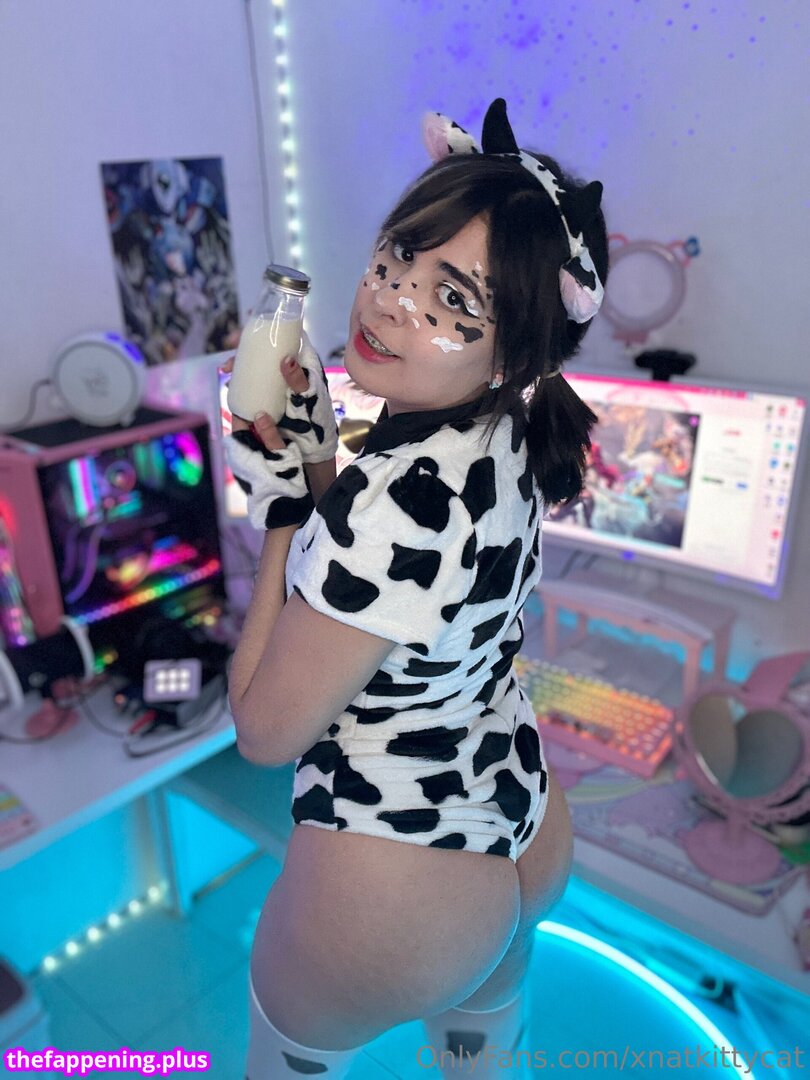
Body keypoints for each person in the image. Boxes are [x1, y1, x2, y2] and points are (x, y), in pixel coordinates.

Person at [224, 97, 608, 1079]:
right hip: (518, 821)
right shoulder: (507, 428)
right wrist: (319, 458)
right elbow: (393, 580)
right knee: (485, 1067)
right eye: (398, 256)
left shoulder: (393, 497)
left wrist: (280, 507)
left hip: (396, 891)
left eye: (452, 301)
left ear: (515, 347)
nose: (393, 302)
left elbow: (265, 733)